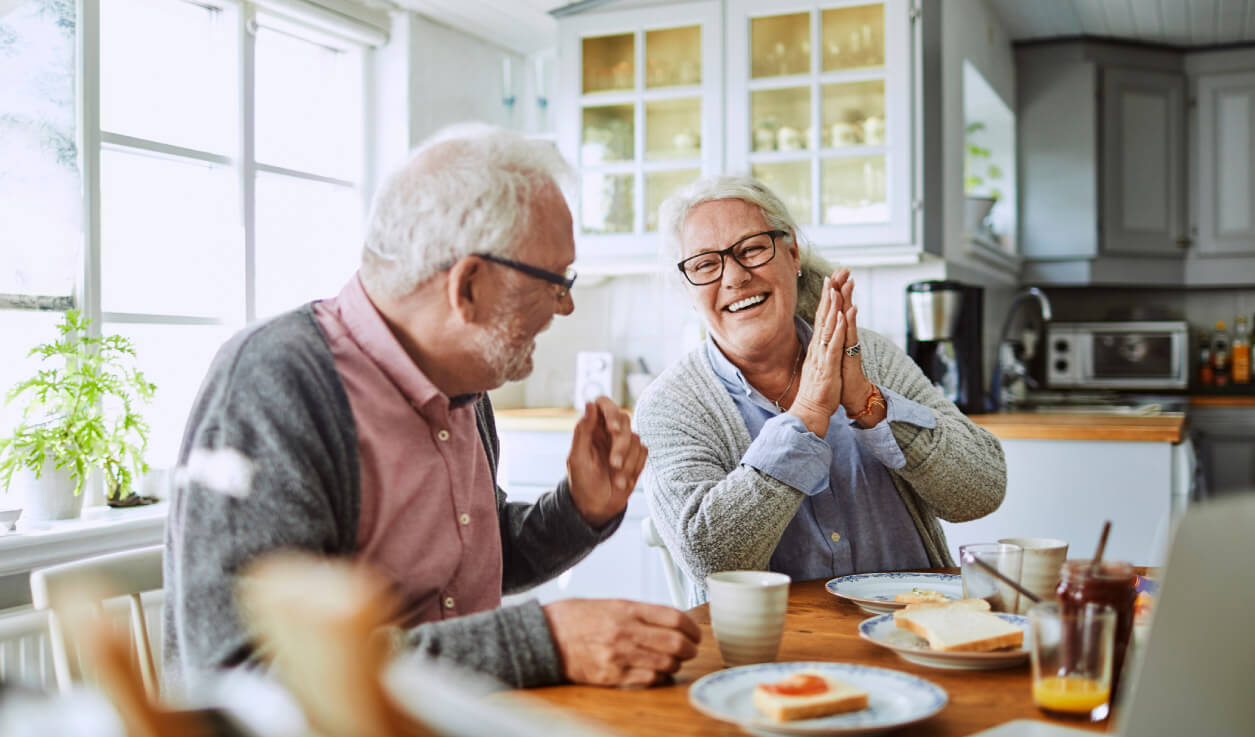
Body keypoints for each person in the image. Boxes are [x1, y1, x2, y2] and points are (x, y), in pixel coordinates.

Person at [163, 124, 700, 694]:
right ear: (467, 287)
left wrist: (579, 510)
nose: (565, 307)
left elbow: (472, 563)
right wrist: (545, 643)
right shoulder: (275, 384)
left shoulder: (462, 383)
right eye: (555, 282)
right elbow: (242, 674)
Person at [636, 176, 1006, 603]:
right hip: (773, 658)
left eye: (752, 248)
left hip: (916, 630)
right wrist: (807, 415)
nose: (735, 277)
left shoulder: (870, 356)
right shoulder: (670, 406)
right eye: (704, 264)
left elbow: (981, 492)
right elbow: (711, 560)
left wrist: (872, 406)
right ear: (688, 287)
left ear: (792, 252)